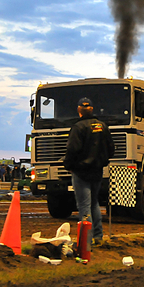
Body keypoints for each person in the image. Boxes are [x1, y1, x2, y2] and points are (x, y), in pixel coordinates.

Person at [63, 97, 115, 245]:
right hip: (97, 171)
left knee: (84, 205)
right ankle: (98, 236)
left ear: (79, 110)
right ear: (92, 109)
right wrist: (102, 161)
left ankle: (86, 241)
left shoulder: (78, 127)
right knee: (94, 203)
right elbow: (111, 148)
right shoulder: (102, 126)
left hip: (81, 171)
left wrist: (68, 165)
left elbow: (72, 149)